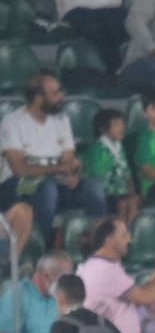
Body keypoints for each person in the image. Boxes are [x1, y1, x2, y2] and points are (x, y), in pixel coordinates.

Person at [1, 74, 107, 243]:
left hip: (56, 183)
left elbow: (68, 159)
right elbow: (20, 169)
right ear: (38, 98)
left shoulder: (61, 120)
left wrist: (73, 172)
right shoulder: (13, 122)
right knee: (47, 189)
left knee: (92, 188)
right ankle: (45, 248)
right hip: (17, 187)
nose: (62, 97)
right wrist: (58, 169)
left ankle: (99, 245)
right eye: (56, 93)